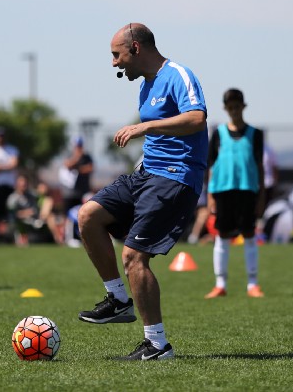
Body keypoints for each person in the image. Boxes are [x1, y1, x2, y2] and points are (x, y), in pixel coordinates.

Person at [77, 22, 208, 360]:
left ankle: (157, 345)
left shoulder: (179, 75)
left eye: (116, 55)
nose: (114, 63)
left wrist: (144, 126)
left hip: (175, 178)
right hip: (146, 174)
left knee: (134, 256)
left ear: (135, 48)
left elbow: (197, 118)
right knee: (88, 216)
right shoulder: (146, 86)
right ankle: (118, 299)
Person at [204, 88, 265, 299]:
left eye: (237, 107)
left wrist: (261, 196)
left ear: (243, 107)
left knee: (249, 235)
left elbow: (260, 166)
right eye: (230, 107)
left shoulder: (255, 134)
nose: (234, 111)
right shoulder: (218, 134)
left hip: (247, 190)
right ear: (225, 109)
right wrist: (210, 195)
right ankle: (220, 284)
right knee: (222, 235)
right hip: (223, 191)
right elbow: (211, 166)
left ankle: (253, 283)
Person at [60, 136, 94, 214]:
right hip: (69, 193)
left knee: (83, 213)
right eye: (77, 146)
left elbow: (90, 168)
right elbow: (67, 165)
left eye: (80, 146)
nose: (78, 148)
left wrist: (77, 168)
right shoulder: (69, 155)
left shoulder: (86, 157)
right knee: (68, 214)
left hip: (83, 192)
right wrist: (77, 158)